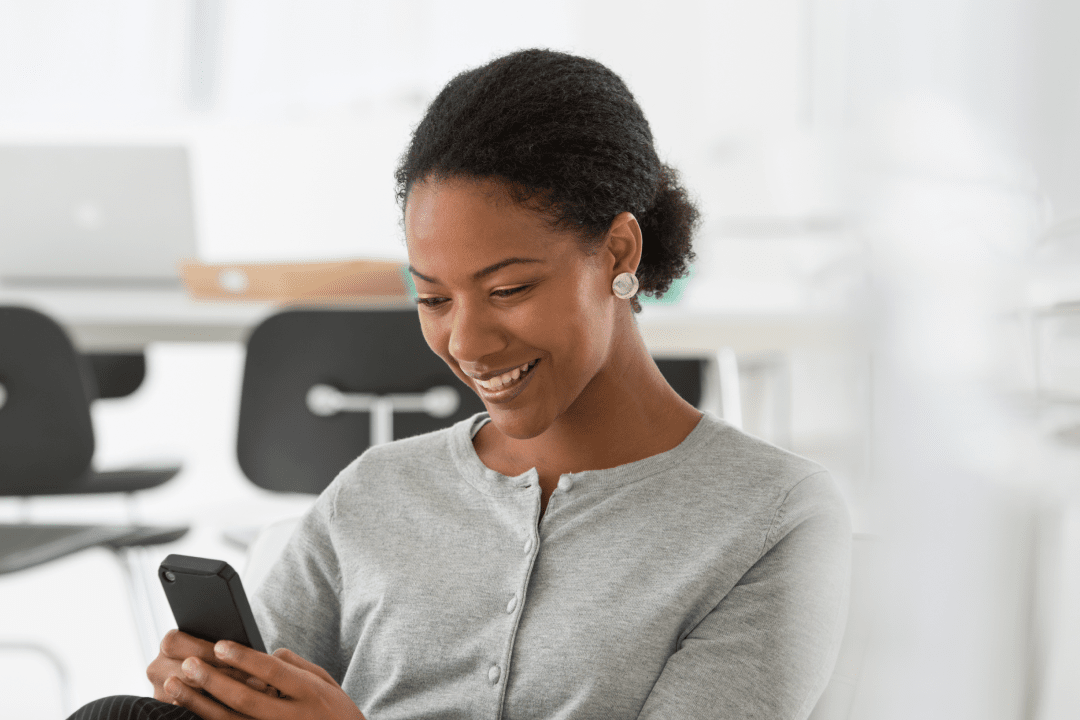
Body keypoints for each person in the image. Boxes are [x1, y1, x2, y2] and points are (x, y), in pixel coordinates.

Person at [71, 48, 850, 720]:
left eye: (509, 289)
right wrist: (213, 687)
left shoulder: (772, 517)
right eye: (434, 298)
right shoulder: (376, 491)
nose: (466, 342)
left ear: (618, 253)